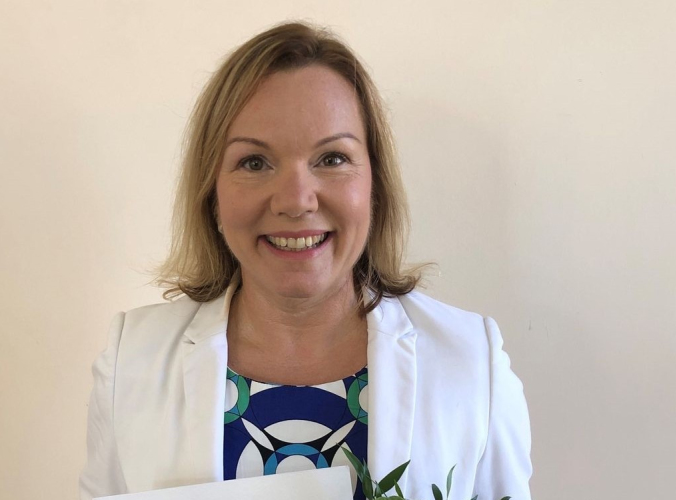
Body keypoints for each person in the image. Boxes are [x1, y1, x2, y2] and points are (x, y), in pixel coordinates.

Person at [80, 21, 532, 500]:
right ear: (212, 193)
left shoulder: (470, 362)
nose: (296, 201)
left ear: (374, 183)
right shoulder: (130, 363)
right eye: (255, 162)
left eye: (332, 158)